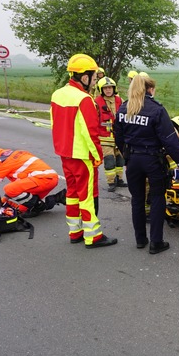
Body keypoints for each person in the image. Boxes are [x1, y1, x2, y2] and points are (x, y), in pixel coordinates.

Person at [50, 53, 118, 248]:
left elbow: (54, 125)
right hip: (82, 156)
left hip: (65, 153)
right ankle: (93, 236)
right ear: (84, 76)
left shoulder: (57, 94)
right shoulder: (84, 99)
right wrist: (97, 156)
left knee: (72, 193)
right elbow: (91, 132)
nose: (95, 81)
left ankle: (75, 232)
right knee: (87, 196)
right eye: (94, 77)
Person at [114, 73, 179, 254]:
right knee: (157, 199)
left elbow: (118, 136)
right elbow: (169, 139)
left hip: (133, 160)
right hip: (153, 159)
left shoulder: (123, 109)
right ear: (150, 89)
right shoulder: (156, 110)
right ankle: (156, 242)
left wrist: (126, 155)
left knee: (137, 200)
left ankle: (140, 239)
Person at [0, 141, 66, 216]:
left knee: (9, 189)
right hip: (46, 178)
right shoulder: (10, 154)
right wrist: (6, 199)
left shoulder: (0, 160)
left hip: (43, 179)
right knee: (21, 208)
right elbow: (20, 182)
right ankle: (57, 198)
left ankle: (38, 206)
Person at [94, 76, 127, 192]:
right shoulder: (96, 103)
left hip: (118, 136)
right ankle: (111, 182)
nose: (108, 90)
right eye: (105, 88)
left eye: (110, 88)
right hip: (105, 137)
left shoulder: (120, 100)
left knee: (120, 160)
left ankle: (119, 179)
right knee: (109, 160)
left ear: (114, 88)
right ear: (101, 90)